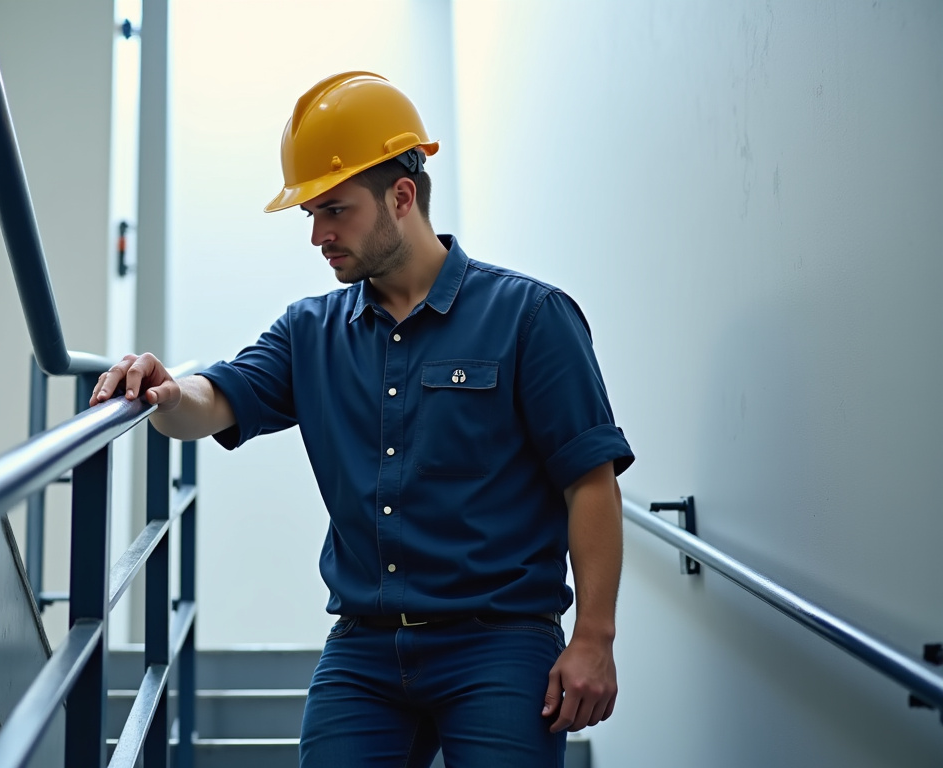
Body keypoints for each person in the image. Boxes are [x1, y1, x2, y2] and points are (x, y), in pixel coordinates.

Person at [90, 71, 634, 767]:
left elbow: (590, 483)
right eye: (310, 214)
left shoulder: (530, 317)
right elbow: (214, 401)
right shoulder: (309, 331)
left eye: (335, 210)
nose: (317, 234)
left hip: (499, 643)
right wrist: (165, 392)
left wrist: (594, 638)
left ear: (401, 197)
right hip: (364, 649)